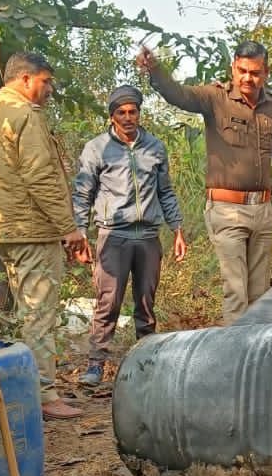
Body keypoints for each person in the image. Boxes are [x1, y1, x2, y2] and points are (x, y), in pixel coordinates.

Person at [136, 40, 272, 322]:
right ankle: (234, 351)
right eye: (242, 71)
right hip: (227, 210)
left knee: (260, 295)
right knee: (236, 293)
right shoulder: (215, 98)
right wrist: (156, 70)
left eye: (255, 73)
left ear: (266, 72)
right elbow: (179, 95)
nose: (247, 78)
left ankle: (257, 348)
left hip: (262, 212)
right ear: (233, 68)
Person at [0, 51, 89, 419]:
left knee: (10, 314)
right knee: (39, 314)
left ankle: (14, 392)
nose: (49, 89)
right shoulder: (26, 115)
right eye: (45, 81)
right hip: (31, 230)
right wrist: (69, 228)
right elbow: (40, 177)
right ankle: (44, 395)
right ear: (25, 79)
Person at [72, 85, 187, 387]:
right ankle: (96, 364)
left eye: (132, 111)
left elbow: (165, 192)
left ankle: (145, 363)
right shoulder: (96, 148)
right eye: (121, 112)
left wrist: (177, 229)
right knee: (108, 301)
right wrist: (81, 232)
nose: (127, 117)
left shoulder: (155, 147)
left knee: (146, 302)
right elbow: (83, 193)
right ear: (112, 116)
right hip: (113, 235)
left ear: (139, 113)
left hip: (148, 235)